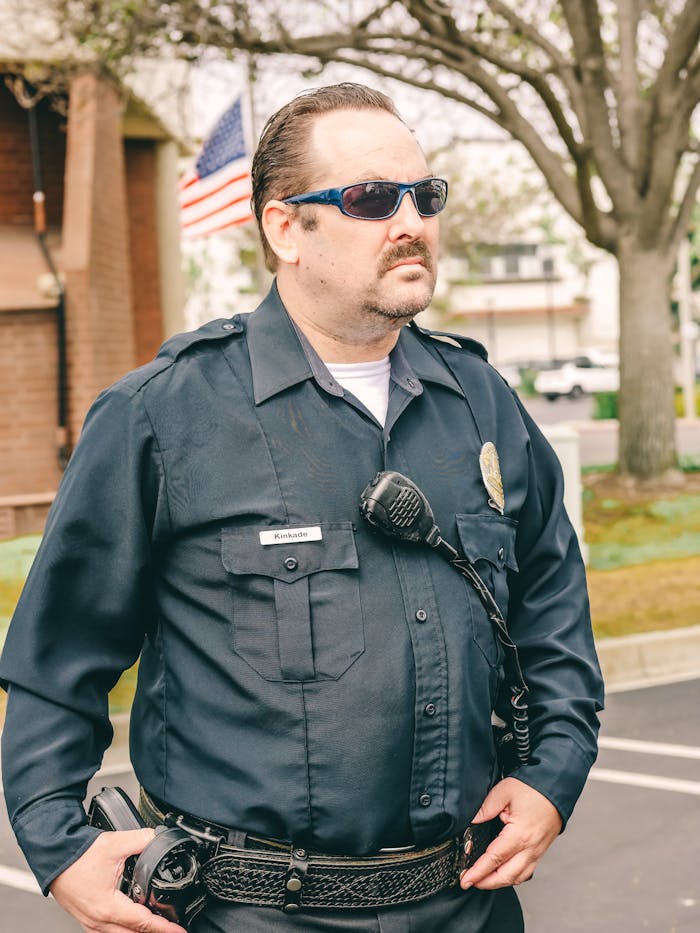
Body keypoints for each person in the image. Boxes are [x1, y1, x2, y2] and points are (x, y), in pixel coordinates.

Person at [0, 83, 603, 933]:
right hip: (249, 914)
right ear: (285, 228)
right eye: (369, 198)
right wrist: (58, 844)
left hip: (466, 904)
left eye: (424, 196)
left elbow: (551, 606)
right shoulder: (163, 416)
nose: (411, 221)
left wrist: (554, 774)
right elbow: (57, 657)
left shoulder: (481, 402)